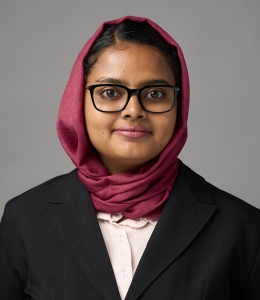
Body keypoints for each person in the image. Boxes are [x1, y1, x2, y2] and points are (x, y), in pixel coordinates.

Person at [0, 15, 259, 300]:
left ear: (179, 106)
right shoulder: (25, 218)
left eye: (156, 93)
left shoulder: (242, 228)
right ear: (78, 102)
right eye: (110, 92)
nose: (133, 110)